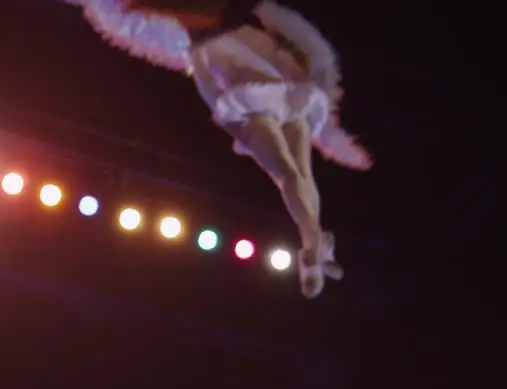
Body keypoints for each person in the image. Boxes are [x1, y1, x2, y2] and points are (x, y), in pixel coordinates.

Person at [65, 0, 372, 298]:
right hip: (256, 85)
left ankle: (314, 246)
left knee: (294, 173)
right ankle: (313, 248)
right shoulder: (205, 33)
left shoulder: (223, 24)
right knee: (293, 173)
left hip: (261, 81)